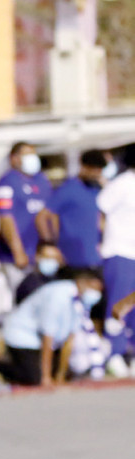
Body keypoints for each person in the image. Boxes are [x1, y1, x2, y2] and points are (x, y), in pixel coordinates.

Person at [0, 268, 104, 387]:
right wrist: (45, 378)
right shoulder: (58, 296)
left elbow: (69, 340)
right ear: (83, 282)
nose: (96, 294)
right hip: (22, 336)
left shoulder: (81, 301)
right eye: (94, 289)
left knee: (68, 374)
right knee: (34, 378)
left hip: (46, 343)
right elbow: (47, 337)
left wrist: (60, 375)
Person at [96, 144, 135, 378]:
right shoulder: (121, 184)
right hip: (119, 251)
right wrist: (101, 241)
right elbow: (99, 212)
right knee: (119, 304)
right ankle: (115, 354)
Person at [0, 141, 52, 293]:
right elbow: (5, 217)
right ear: (14, 158)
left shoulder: (42, 180)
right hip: (16, 258)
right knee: (25, 295)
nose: (32, 158)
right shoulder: (6, 183)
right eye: (27, 154)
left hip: (40, 255)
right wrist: (17, 251)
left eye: (33, 154)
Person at [37, 149, 106, 273]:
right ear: (84, 167)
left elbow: (99, 218)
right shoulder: (68, 189)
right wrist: (49, 244)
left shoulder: (95, 189)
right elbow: (43, 216)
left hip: (95, 257)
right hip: (72, 259)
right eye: (94, 171)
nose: (97, 175)